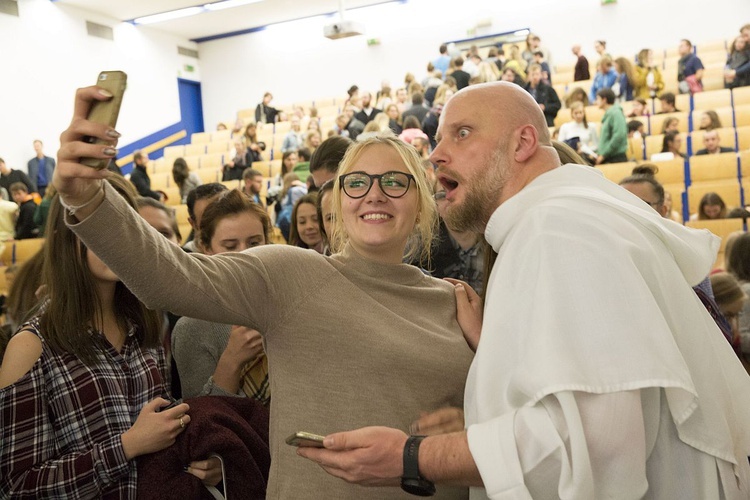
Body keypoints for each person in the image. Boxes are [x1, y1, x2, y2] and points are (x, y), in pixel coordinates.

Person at [297, 81, 750, 499]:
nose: (436, 155)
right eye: (438, 138)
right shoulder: (561, 220)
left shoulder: (558, 229)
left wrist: (410, 457)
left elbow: (592, 443)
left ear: (523, 143)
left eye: (462, 134)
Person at [53, 85, 473, 499]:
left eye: (395, 181)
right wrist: (87, 197)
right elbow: (171, 276)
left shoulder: (457, 302)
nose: (375, 194)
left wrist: (467, 425)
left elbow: (513, 423)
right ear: (339, 202)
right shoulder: (292, 274)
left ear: (421, 202)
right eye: (357, 182)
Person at [0, 175, 219, 497]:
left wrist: (201, 459)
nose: (112, 240)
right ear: (66, 236)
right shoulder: (31, 345)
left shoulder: (146, 324)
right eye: (96, 227)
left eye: (121, 226)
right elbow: (15, 487)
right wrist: (126, 446)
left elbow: (163, 426)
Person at [172, 189, 270, 403]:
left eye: (254, 243)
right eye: (230, 246)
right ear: (206, 248)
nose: (245, 254)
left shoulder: (288, 299)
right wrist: (232, 360)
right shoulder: (192, 327)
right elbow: (202, 417)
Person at [595, 88, 628, 164]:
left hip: (615, 158)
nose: (596, 102)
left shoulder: (616, 113)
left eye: (598, 99)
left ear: (604, 100)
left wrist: (604, 154)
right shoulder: (609, 114)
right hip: (608, 156)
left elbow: (619, 135)